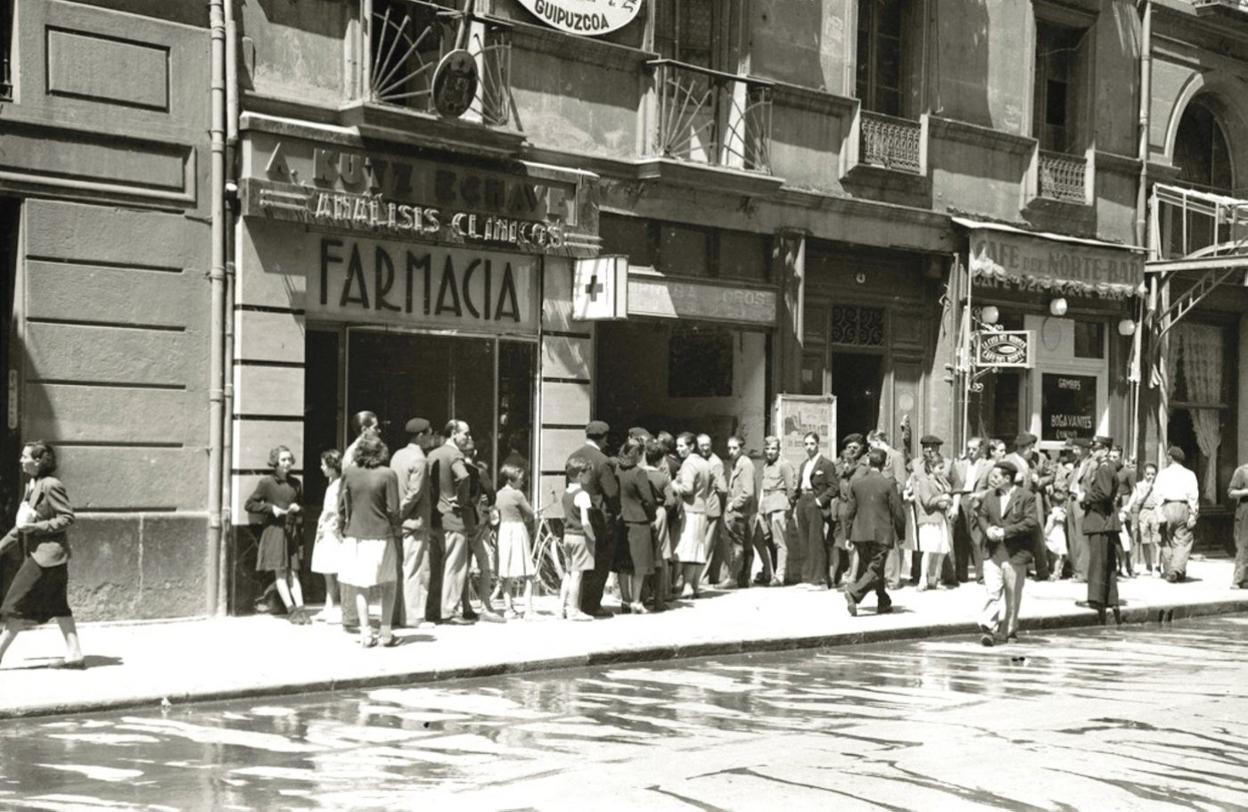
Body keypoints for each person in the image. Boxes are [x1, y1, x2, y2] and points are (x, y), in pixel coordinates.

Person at [0, 442, 83, 669]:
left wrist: (37, 528)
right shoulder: (33, 484)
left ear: (37, 461)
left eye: (24, 456)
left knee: (15, 603)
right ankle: (75, 654)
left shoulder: (51, 485)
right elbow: (21, 527)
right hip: (45, 557)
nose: (21, 460)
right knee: (58, 605)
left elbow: (67, 517)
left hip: (47, 556)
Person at [337, 434, 400, 647]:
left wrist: (342, 527)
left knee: (360, 585)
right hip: (382, 534)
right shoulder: (388, 474)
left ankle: (365, 633)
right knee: (389, 583)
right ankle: (386, 633)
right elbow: (393, 509)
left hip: (355, 534)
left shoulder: (349, 473)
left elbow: (341, 505)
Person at [974, 460, 1038, 646]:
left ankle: (1010, 631)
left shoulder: (1026, 497)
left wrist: (1005, 532)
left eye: (996, 477)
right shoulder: (990, 496)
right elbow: (982, 516)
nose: (992, 480)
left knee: (1013, 594)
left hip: (1015, 552)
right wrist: (987, 530)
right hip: (993, 551)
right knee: (992, 592)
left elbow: (1031, 522)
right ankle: (988, 629)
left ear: (1007, 478)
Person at [245, 445, 308, 625]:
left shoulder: (296, 483)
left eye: (289, 459)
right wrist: (271, 508)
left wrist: (298, 508)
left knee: (293, 572)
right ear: (275, 462)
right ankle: (291, 610)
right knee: (280, 571)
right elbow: (249, 504)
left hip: (291, 531)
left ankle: (301, 609)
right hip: (275, 531)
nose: (287, 463)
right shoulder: (266, 483)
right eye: (283, 460)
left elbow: (303, 509)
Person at [844, 449, 905, 617]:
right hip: (881, 534)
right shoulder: (888, 483)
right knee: (875, 569)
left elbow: (849, 511)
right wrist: (901, 533)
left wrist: (848, 535)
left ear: (868, 463)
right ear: (885, 464)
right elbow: (897, 511)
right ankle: (854, 593)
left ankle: (883, 601)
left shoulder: (856, 482)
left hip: (860, 534)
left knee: (873, 569)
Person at [568, 420, 619, 616]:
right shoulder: (603, 461)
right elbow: (611, 493)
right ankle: (592, 605)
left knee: (578, 565)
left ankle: (576, 602)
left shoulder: (573, 456)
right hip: (599, 518)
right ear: (604, 438)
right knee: (599, 562)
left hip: (576, 515)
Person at [428, 419, 475, 624]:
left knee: (436, 567)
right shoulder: (455, 455)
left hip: (435, 518)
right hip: (454, 518)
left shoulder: (432, 454)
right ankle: (449, 611)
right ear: (454, 433)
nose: (468, 438)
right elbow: (464, 477)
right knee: (454, 566)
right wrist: (461, 499)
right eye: (465, 433)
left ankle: (434, 610)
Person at [390, 417, 433, 628]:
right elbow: (415, 493)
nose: (431, 438)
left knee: (399, 569)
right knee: (416, 569)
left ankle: (396, 614)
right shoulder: (420, 459)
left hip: (398, 523)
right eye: (430, 434)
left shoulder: (397, 455)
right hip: (414, 521)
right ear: (421, 435)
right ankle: (413, 617)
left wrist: (395, 515)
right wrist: (401, 512)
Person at [461, 437, 503, 622]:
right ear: (475, 453)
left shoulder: (455, 469)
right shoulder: (479, 471)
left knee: (462, 567)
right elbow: (492, 496)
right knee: (485, 565)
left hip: (460, 523)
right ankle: (486, 605)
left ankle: (465, 606)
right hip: (478, 522)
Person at [1081, 435, 1121, 623]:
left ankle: (1096, 599)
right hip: (1105, 520)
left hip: (1100, 519)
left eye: (1096, 449)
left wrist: (1085, 498)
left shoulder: (1104, 468)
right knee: (1108, 562)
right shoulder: (1107, 466)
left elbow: (1103, 493)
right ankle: (1110, 598)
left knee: (1098, 561)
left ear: (1105, 450)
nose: (1093, 452)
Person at [616, 436, 657, 614]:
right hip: (638, 521)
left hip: (621, 520)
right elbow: (648, 499)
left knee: (623, 564)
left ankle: (625, 600)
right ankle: (636, 601)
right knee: (639, 565)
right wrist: (652, 516)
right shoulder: (639, 473)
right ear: (639, 454)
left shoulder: (617, 469)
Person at [671, 431, 713, 598]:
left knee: (687, 549)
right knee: (696, 548)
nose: (678, 449)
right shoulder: (704, 463)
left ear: (691, 446)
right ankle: (694, 585)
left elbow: (687, 489)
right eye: (678, 446)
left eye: (682, 446)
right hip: (701, 509)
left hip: (689, 510)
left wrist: (673, 485)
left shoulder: (688, 464)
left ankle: (687, 586)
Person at [796, 432, 838, 590]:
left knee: (816, 541)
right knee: (804, 540)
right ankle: (807, 577)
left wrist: (819, 501)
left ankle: (819, 579)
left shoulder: (826, 464)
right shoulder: (804, 465)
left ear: (818, 444)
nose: (809, 447)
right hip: (803, 500)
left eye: (812, 444)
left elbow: (834, 487)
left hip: (816, 502)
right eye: (806, 444)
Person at [912, 436, 954, 591]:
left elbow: (949, 492)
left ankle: (934, 579)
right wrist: (941, 499)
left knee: (940, 549)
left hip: (940, 518)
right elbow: (927, 501)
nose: (942, 471)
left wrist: (946, 499)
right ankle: (922, 579)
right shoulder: (925, 481)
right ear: (931, 467)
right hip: (929, 519)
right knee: (928, 550)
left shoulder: (940, 480)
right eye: (939, 468)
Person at [494, 461, 536, 618]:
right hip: (517, 530)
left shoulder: (498, 494)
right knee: (527, 571)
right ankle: (529, 609)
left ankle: (508, 609)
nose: (523, 482)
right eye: (520, 479)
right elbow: (530, 513)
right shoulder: (518, 494)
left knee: (506, 571)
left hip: (504, 531)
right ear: (511, 480)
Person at [1153, 445, 1199, 583]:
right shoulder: (1189, 474)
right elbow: (1193, 496)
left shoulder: (1163, 474)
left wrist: (1159, 513)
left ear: (1170, 457)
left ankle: (1171, 570)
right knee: (1183, 539)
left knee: (1166, 539)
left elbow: (1157, 495)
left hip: (1167, 506)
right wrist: (1193, 514)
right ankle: (1176, 569)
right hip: (1183, 506)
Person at [642, 439, 677, 611]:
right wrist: (664, 510)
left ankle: (642, 595)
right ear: (660, 459)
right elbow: (671, 500)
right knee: (661, 557)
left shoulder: (639, 474)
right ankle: (659, 599)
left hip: (643, 514)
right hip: (659, 513)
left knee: (644, 556)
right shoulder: (662, 478)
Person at [756, 435, 797, 587]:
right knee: (762, 539)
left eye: (773, 448)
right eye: (767, 448)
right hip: (766, 506)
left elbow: (791, 489)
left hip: (779, 505)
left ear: (779, 449)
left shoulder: (784, 465)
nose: (770, 451)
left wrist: (789, 509)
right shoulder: (766, 465)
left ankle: (780, 576)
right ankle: (769, 571)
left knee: (780, 542)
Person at [560, 456, 596, 621]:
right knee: (577, 574)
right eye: (588, 473)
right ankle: (573, 609)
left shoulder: (566, 493)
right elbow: (585, 521)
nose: (590, 476)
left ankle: (562, 607)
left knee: (568, 573)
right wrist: (592, 536)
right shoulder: (583, 495)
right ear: (581, 475)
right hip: (580, 536)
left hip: (567, 535)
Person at [310, 449, 344, 624]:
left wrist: (330, 525)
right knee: (327, 571)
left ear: (332, 466)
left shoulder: (339, 485)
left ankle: (340, 608)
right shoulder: (331, 483)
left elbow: (335, 510)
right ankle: (329, 606)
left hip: (332, 531)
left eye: (324, 464)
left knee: (335, 570)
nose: (321, 467)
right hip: (326, 530)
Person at [723, 435, 757, 589]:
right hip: (741, 512)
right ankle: (744, 578)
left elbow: (748, 492)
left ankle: (733, 578)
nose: (731, 451)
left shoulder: (745, 464)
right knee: (745, 543)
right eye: (729, 448)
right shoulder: (737, 463)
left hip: (740, 512)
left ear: (742, 448)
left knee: (737, 545)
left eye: (735, 448)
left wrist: (733, 504)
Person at [696, 434, 729, 588]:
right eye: (702, 445)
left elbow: (722, 488)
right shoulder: (702, 460)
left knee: (707, 544)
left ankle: (702, 577)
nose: (705, 448)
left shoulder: (715, 463)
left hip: (711, 507)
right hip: (704, 506)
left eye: (707, 444)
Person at [1125, 462, 1161, 576]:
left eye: (1153, 474)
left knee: (1157, 540)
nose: (1150, 476)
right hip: (1143, 512)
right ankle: (1148, 565)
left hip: (1155, 511)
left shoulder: (1158, 486)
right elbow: (1137, 499)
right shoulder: (1139, 485)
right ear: (1144, 473)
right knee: (1145, 540)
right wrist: (1147, 490)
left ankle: (1157, 566)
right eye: (1148, 474)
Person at [1230, 460, 1248, 590]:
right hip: (1245, 513)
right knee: (1243, 545)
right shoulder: (1242, 471)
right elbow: (1231, 492)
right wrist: (1246, 491)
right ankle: (1238, 579)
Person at [1044, 490, 1069, 581]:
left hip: (1053, 533)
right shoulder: (1064, 512)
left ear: (1052, 502)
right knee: (1059, 555)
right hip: (1060, 533)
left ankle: (1051, 570)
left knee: (1051, 552)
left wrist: (1045, 533)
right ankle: (1057, 572)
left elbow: (1050, 523)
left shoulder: (1053, 511)